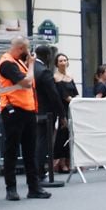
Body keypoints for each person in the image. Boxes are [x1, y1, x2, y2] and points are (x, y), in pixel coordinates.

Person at [0, 36, 51, 200]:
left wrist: (28, 65)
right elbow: (27, 83)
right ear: (21, 48)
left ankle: (34, 188)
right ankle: (11, 189)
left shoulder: (18, 62)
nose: (29, 52)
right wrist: (32, 64)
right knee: (12, 151)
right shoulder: (7, 63)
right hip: (13, 110)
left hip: (27, 110)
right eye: (27, 49)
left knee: (30, 151)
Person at [34, 44, 66, 180]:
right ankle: (40, 171)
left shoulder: (30, 68)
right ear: (48, 56)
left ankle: (35, 171)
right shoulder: (44, 71)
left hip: (33, 110)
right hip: (46, 112)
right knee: (44, 142)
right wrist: (62, 115)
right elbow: (54, 95)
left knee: (37, 141)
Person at [53, 53, 78, 173]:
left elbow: (75, 92)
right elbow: (63, 95)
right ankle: (61, 163)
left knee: (71, 134)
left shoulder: (70, 76)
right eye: (60, 61)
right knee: (62, 135)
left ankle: (70, 161)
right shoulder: (55, 77)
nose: (63, 62)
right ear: (57, 64)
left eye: (65, 60)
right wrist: (73, 101)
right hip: (62, 108)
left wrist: (77, 103)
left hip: (72, 107)